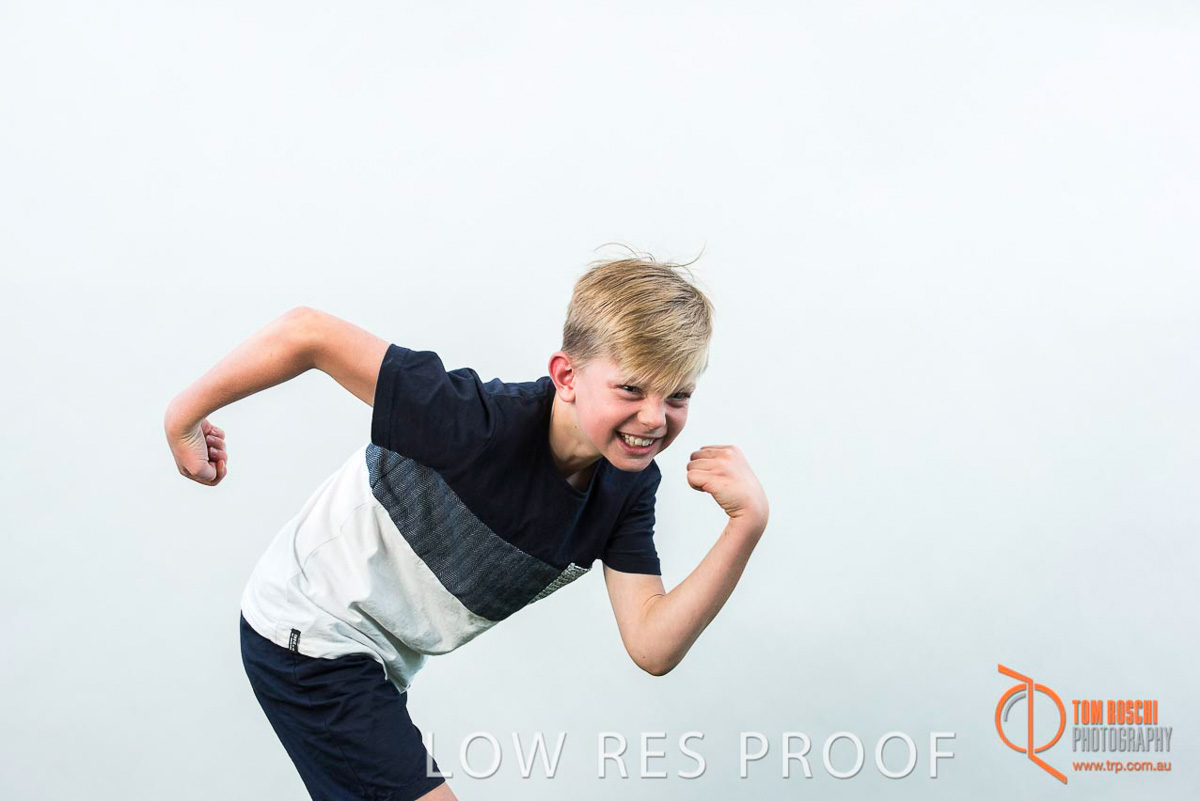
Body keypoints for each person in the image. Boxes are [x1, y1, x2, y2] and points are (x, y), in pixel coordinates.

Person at [163, 255, 769, 801]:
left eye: (678, 396)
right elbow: (308, 333)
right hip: (307, 632)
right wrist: (183, 418)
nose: (654, 418)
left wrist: (746, 525)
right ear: (565, 376)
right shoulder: (474, 421)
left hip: (377, 664)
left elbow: (652, 645)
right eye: (631, 388)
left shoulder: (627, 488)